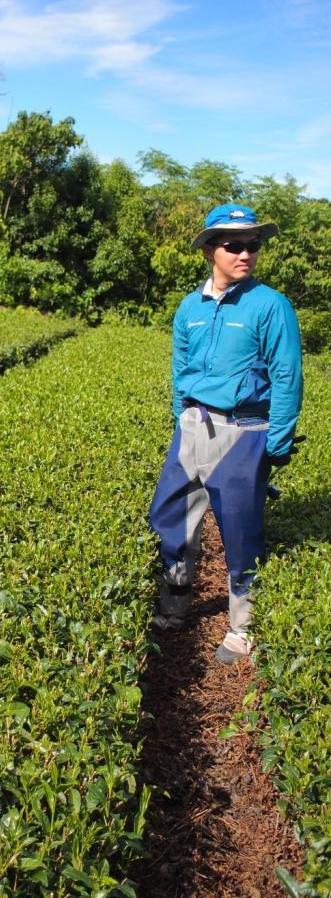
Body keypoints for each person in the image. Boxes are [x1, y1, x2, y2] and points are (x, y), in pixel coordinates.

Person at [149, 203, 304, 664]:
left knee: (240, 532)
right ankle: (175, 603)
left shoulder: (270, 305)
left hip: (244, 430)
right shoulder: (189, 306)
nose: (246, 253)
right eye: (234, 245)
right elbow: (181, 366)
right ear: (209, 250)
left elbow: (287, 377)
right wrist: (182, 417)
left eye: (253, 245)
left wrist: (275, 443)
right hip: (194, 425)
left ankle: (243, 628)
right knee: (170, 515)